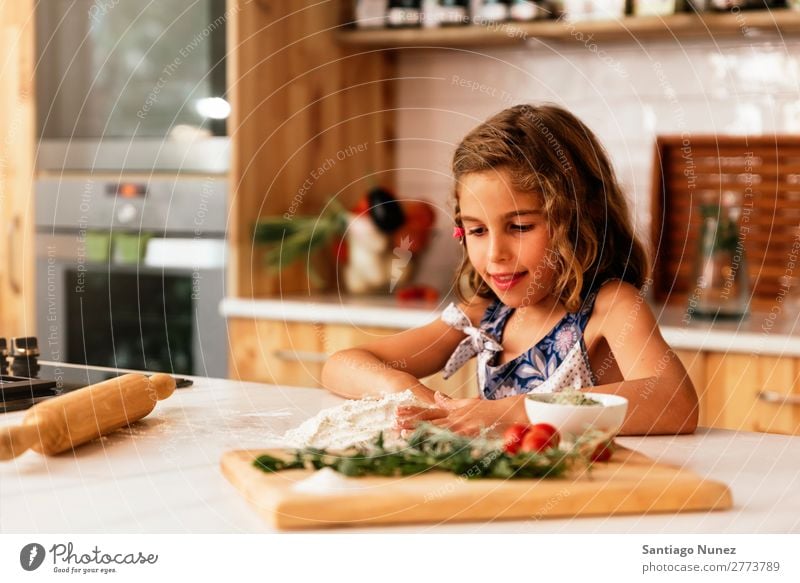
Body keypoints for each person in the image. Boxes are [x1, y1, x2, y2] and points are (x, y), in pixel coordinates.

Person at [321, 104, 698, 436]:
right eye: (478, 230)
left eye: (520, 227)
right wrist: (412, 394)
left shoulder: (610, 307)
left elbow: (675, 403)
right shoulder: (486, 314)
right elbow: (341, 364)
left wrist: (512, 411)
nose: (496, 253)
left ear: (583, 217)